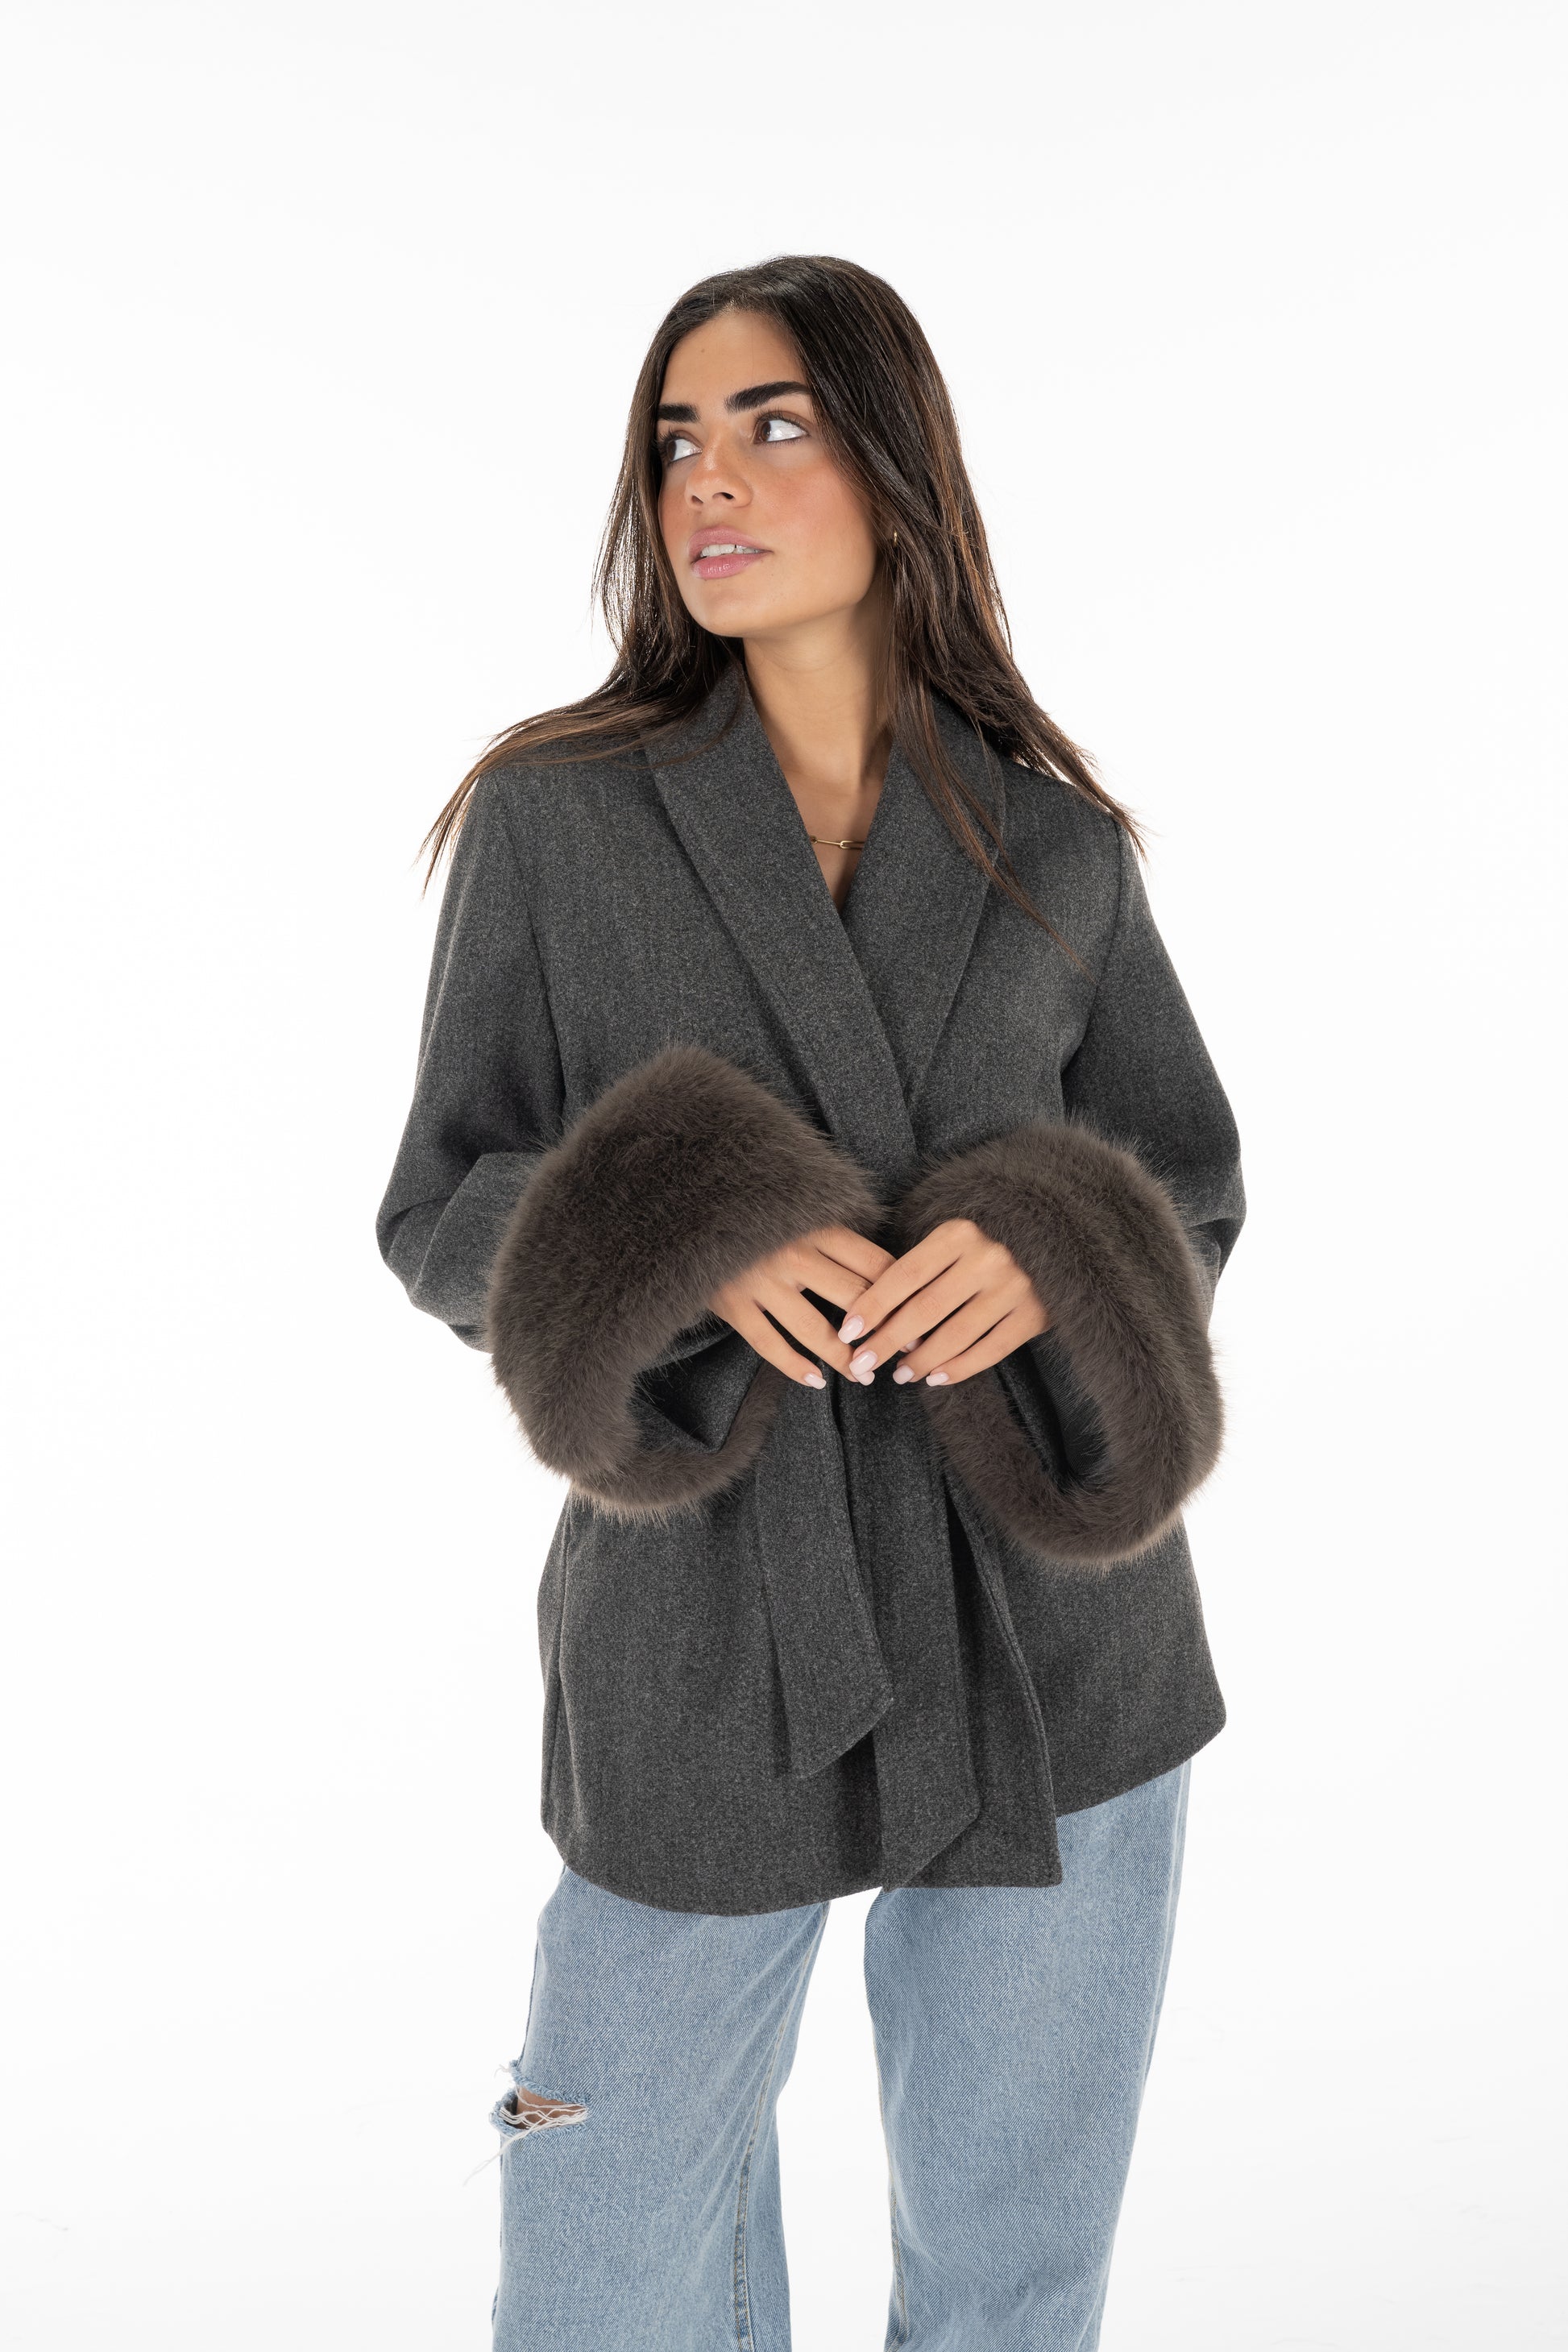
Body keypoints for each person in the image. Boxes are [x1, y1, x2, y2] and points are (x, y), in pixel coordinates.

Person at [376, 253, 1245, 2352]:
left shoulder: (1054, 845)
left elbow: (1187, 1187)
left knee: (1014, 2284)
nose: (708, 479)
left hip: (1054, 1637)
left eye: (772, 425)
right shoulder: (557, 820)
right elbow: (438, 1210)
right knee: (603, 2268)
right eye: (676, 437)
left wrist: (1047, 1243)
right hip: (702, 1624)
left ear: (896, 467)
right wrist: (683, 1230)